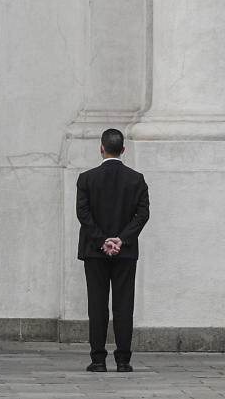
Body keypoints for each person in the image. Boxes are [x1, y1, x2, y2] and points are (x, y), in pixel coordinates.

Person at [77, 128, 150, 373]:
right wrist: (121, 240)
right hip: (125, 253)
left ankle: (98, 360)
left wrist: (102, 241)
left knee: (97, 306)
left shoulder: (87, 179)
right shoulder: (136, 179)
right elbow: (143, 215)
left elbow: (83, 215)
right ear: (123, 150)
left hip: (94, 252)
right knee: (123, 305)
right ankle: (123, 360)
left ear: (101, 148)